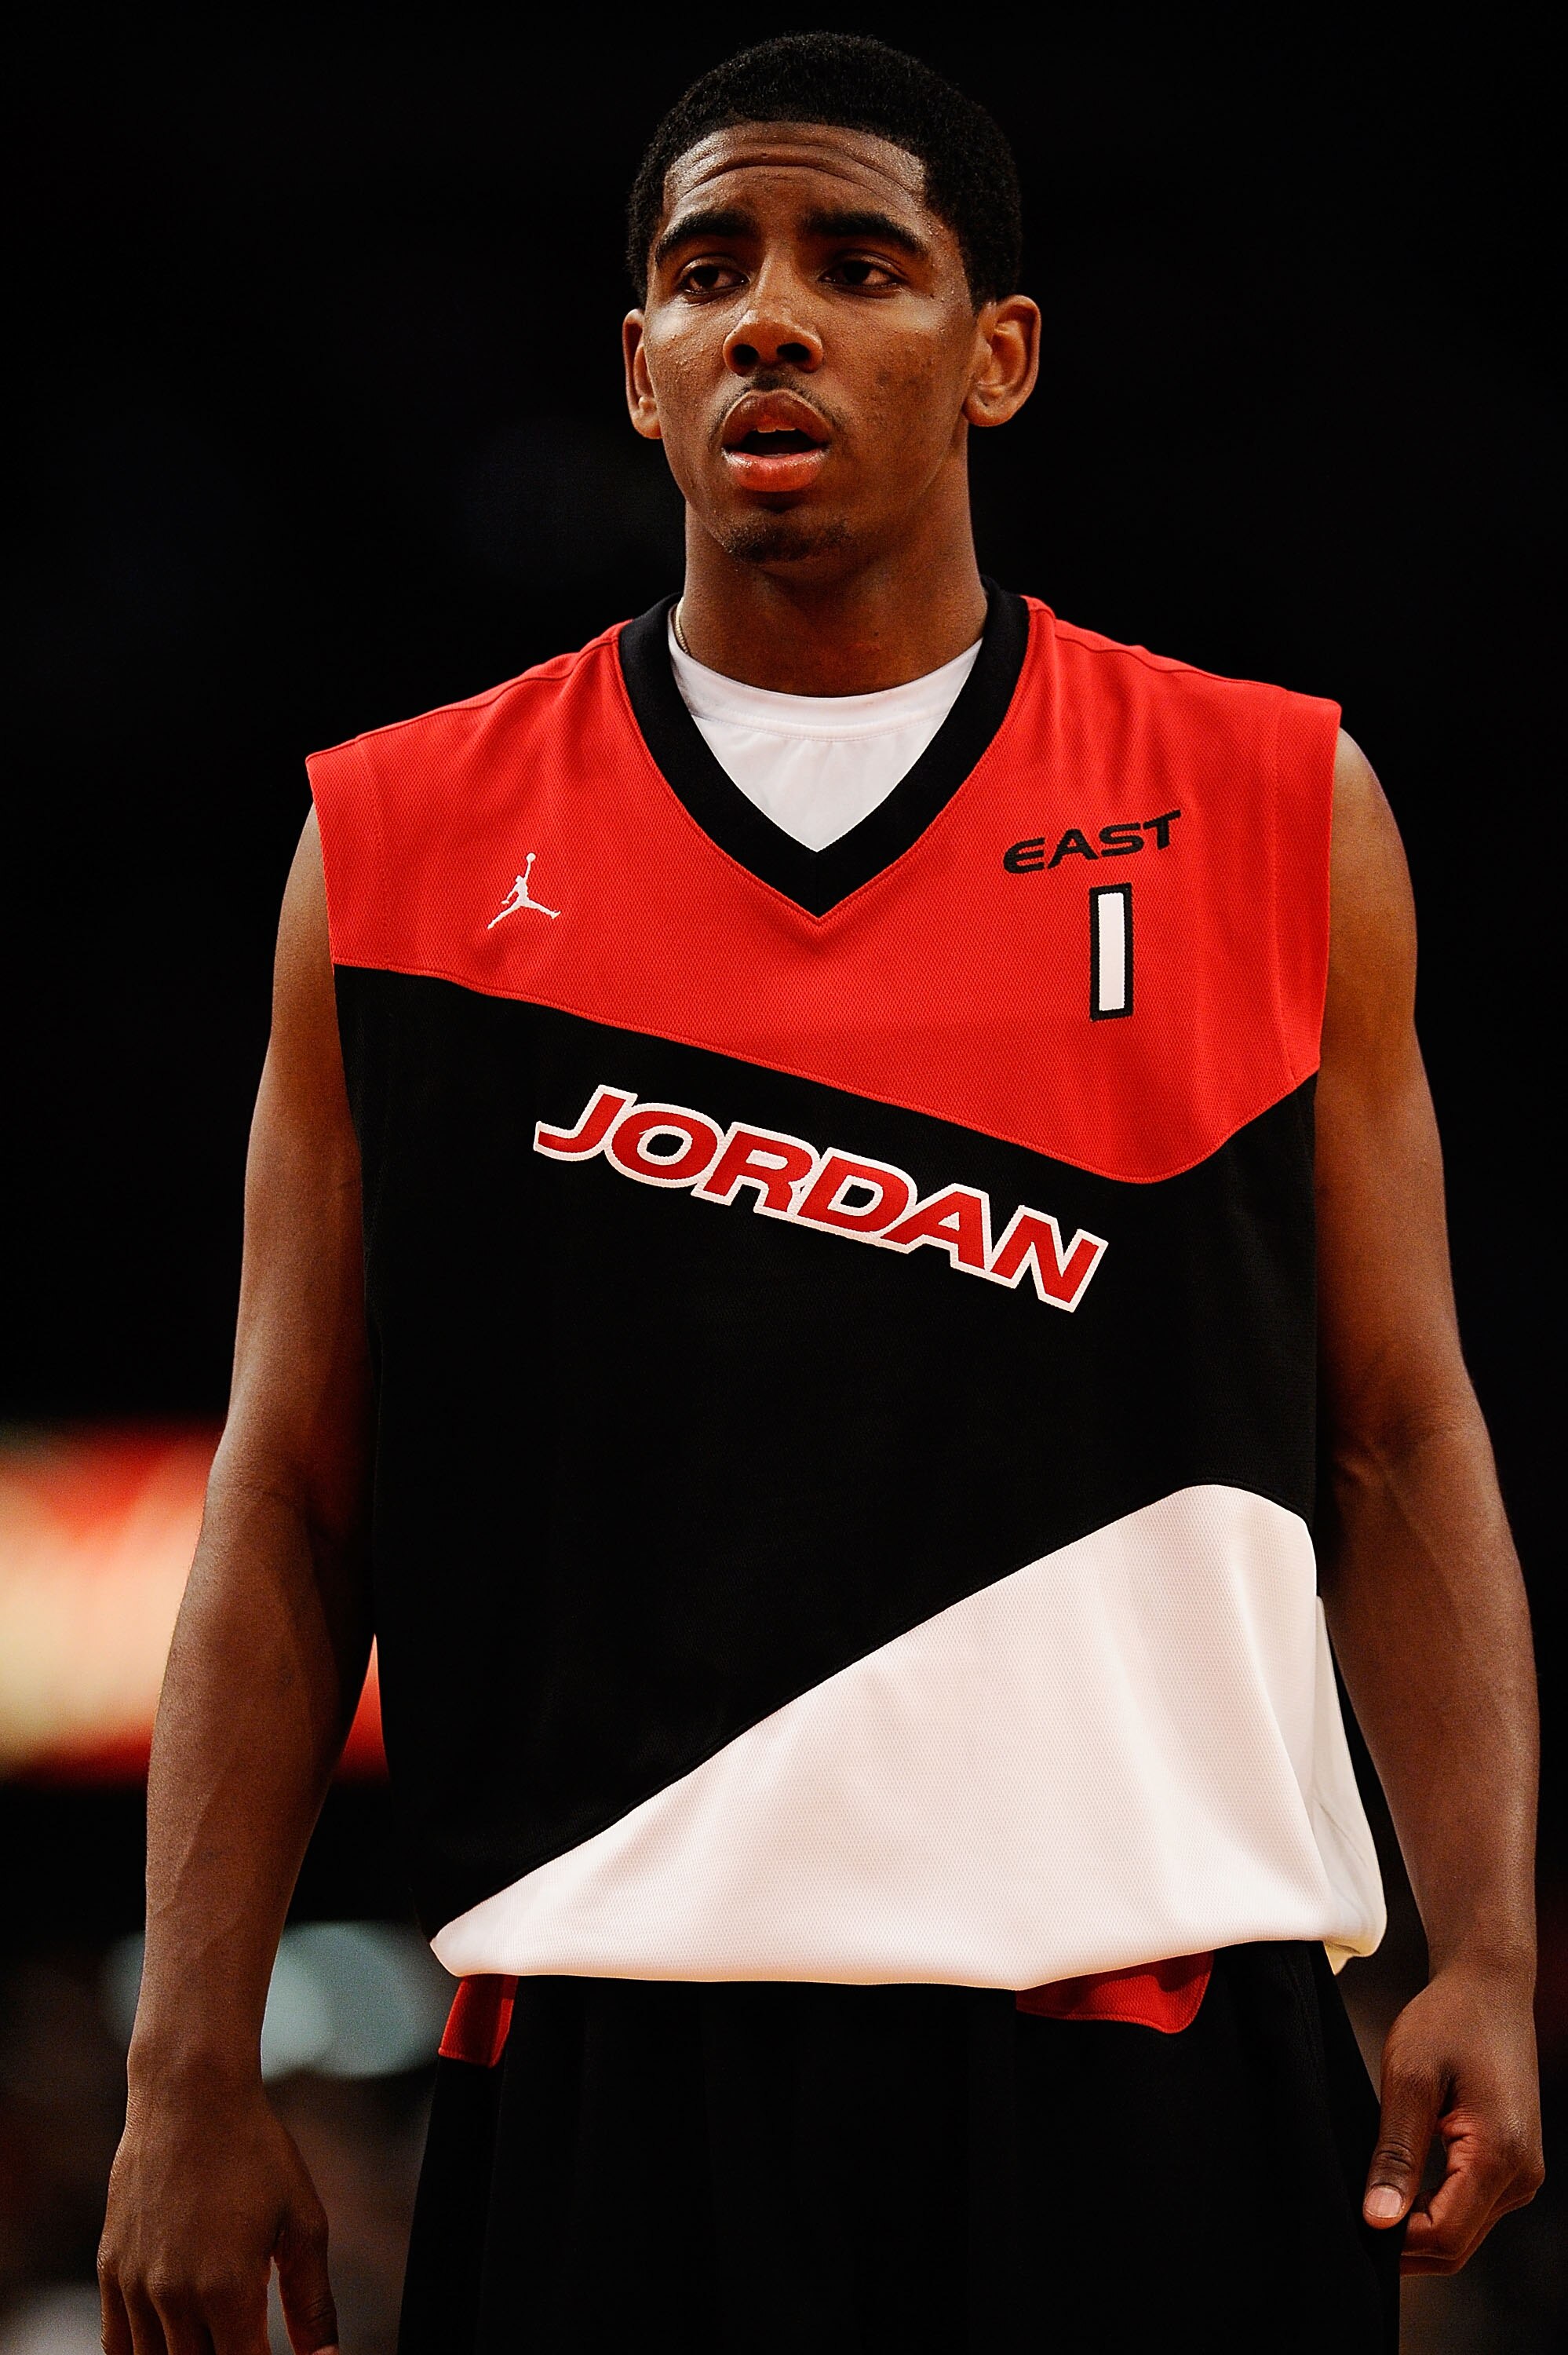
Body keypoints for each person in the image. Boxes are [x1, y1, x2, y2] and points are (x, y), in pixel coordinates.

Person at [98, 33, 1542, 2355]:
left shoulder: (1276, 803)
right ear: (644, 373)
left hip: (1156, 2062)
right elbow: (284, 1504)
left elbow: (1398, 1430)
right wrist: (188, 2059)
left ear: (997, 359)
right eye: (707, 271)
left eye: (857, 263)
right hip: (609, 2067)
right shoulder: (391, 848)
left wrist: (1488, 1940)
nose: (769, 315)